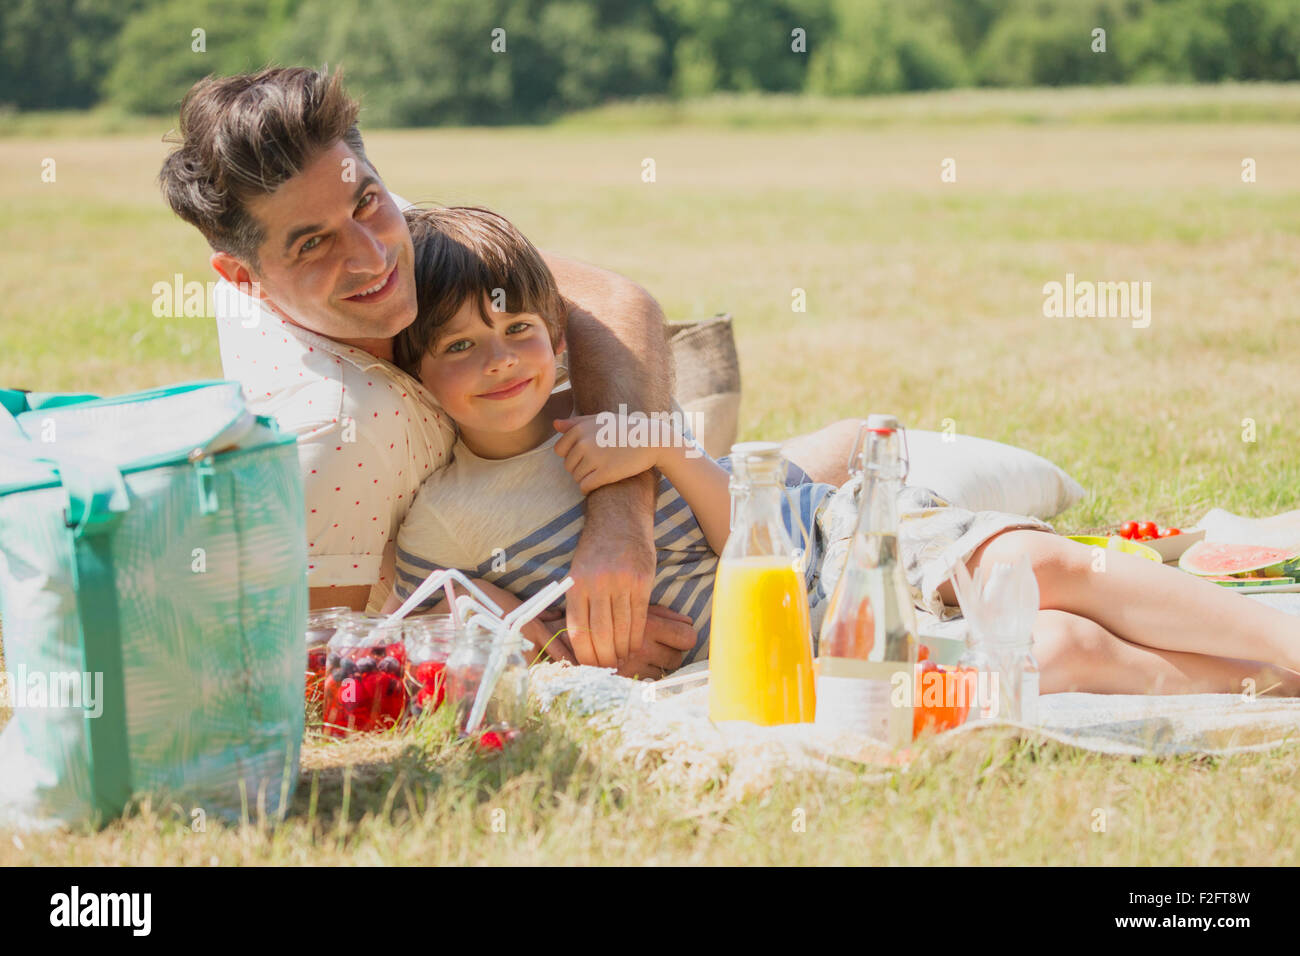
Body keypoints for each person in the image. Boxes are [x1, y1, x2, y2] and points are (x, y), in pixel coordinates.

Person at [386, 204, 1300, 695]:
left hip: (836, 547)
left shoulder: (609, 424)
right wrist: (562, 643)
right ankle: (1257, 684)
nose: (500, 362)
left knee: (1038, 565)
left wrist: (665, 452)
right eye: (460, 346)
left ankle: (1281, 644)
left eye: (518, 333)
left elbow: (762, 532)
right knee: (1055, 652)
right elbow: (457, 617)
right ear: (417, 373)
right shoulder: (446, 516)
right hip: (817, 653)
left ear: (555, 332)